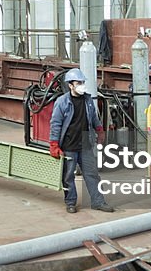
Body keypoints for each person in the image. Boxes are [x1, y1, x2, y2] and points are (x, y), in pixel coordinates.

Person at [48, 68, 115, 214]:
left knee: (92, 174)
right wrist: (54, 143)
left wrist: (99, 129)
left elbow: (93, 117)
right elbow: (55, 124)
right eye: (79, 83)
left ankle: (98, 202)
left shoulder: (88, 100)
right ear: (70, 85)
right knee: (68, 176)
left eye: (83, 82)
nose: (82, 85)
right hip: (69, 146)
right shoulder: (62, 102)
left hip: (85, 145)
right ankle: (70, 202)